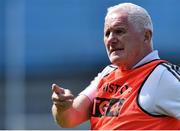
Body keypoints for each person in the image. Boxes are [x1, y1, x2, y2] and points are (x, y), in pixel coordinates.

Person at [51, 2, 180, 130]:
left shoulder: (162, 76)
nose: (111, 39)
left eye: (119, 31)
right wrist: (62, 107)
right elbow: (69, 119)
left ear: (146, 36)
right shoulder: (107, 74)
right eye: (107, 33)